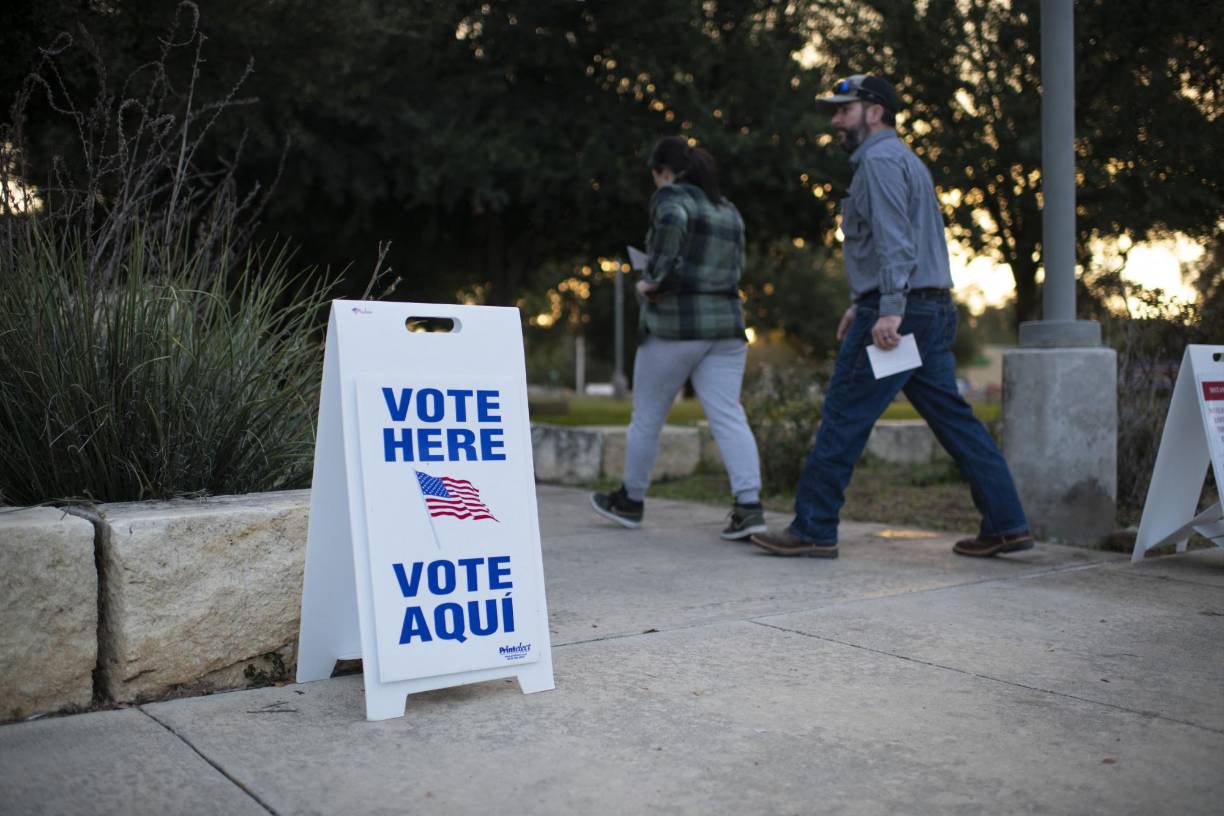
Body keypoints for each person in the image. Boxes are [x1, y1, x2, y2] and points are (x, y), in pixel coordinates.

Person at [750, 75, 1032, 559]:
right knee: (955, 420)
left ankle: (814, 527)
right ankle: (1007, 524)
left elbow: (897, 242)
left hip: (902, 314)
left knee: (844, 415)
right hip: (928, 308)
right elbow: (904, 244)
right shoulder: (904, 161)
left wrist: (887, 310)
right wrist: (863, 301)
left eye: (844, 110)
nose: (835, 121)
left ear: (874, 111)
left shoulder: (879, 162)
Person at [591, 136, 766, 540]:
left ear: (662, 171)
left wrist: (652, 280)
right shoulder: (729, 209)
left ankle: (630, 500)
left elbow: (672, 228)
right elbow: (736, 266)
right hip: (726, 328)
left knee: (647, 418)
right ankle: (749, 506)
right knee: (728, 415)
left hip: (675, 327)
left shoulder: (671, 199)